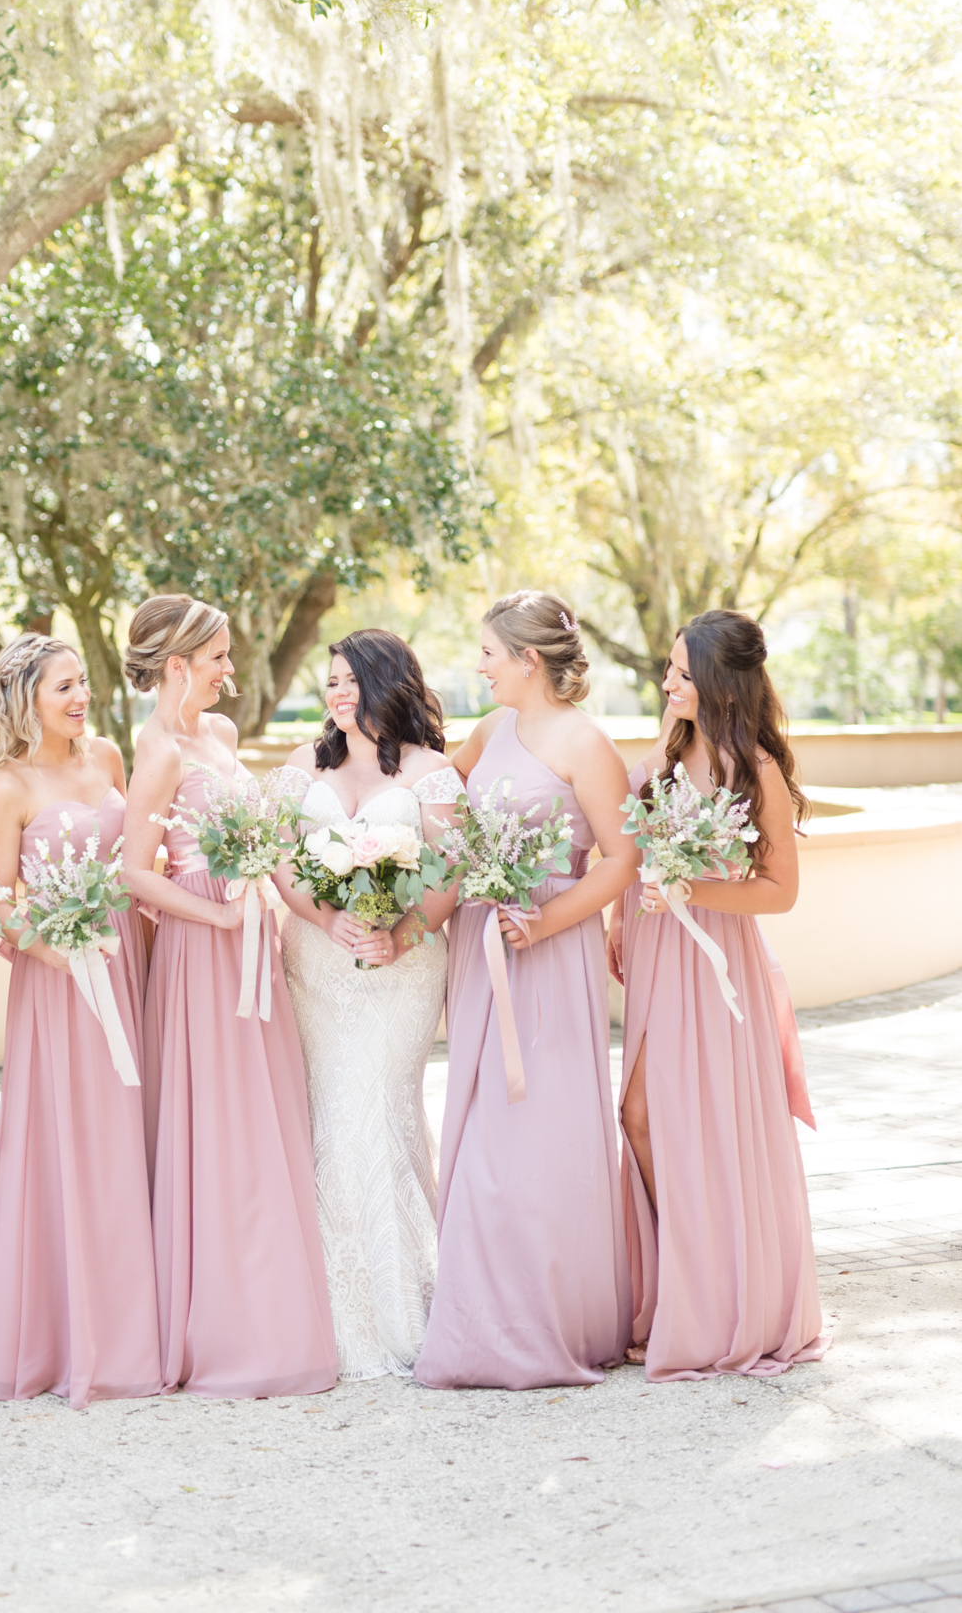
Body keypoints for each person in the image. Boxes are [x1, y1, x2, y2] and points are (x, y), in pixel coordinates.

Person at [415, 592, 636, 1391]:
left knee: (536, 1134)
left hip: (546, 952)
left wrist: (541, 924)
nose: (477, 665)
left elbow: (618, 862)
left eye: (485, 652)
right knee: (479, 1130)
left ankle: (551, 1317)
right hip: (481, 947)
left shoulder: (586, 744)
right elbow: (436, 800)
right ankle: (477, 1319)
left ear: (526, 660)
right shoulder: (488, 732)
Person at [122, 594, 337, 1398]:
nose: (228, 672)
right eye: (215, 659)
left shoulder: (218, 736)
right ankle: (221, 1324)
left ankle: (272, 1304)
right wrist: (216, 913)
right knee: (215, 1124)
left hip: (254, 942)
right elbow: (137, 872)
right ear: (176, 666)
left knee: (264, 1114)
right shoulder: (156, 753)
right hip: (202, 954)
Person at [613, 608, 828, 1379]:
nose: (666, 681)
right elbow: (633, 849)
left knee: (706, 1122)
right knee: (636, 1114)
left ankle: (711, 1297)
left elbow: (777, 893)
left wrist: (692, 891)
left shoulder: (756, 772)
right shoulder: (662, 758)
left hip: (716, 964)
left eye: (678, 671)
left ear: (713, 681)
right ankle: (688, 1281)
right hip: (652, 952)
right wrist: (617, 919)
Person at [0, 634, 160, 1408]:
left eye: (82, 683)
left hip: (129, 962)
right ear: (25, 700)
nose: (80, 697)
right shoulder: (8, 786)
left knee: (134, 1132)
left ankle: (144, 1324)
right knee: (78, 1141)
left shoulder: (108, 759)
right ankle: (77, 1335)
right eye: (63, 688)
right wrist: (56, 953)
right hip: (61, 984)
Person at [273, 630, 461, 1379]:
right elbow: (282, 861)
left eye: (350, 680)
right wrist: (326, 918)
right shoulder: (300, 766)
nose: (336, 694)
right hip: (317, 966)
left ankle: (406, 1301)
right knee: (329, 1112)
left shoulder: (432, 774)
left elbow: (448, 876)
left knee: (378, 1109)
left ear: (389, 683)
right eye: (329, 683)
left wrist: (402, 933)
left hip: (400, 970)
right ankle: (326, 1309)